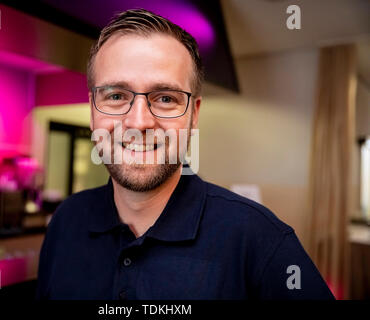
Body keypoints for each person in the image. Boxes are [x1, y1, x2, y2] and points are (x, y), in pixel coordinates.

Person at [36, 9, 334, 300]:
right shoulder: (65, 222)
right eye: (116, 96)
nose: (139, 122)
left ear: (194, 115)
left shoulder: (260, 240)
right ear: (92, 110)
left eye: (165, 98)